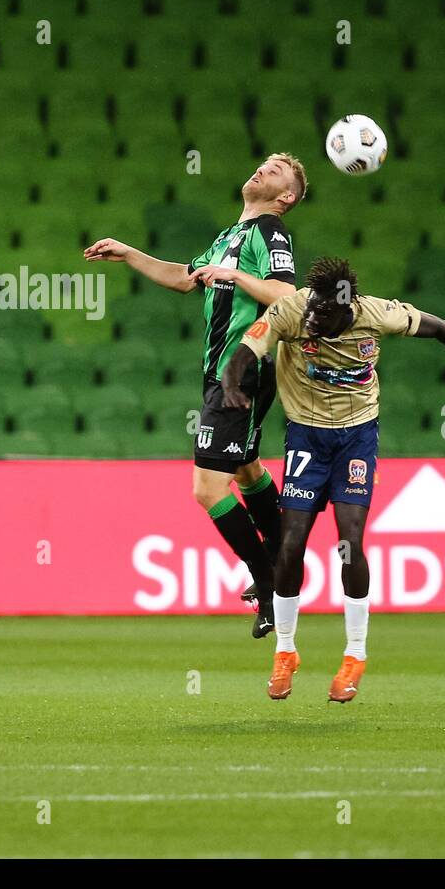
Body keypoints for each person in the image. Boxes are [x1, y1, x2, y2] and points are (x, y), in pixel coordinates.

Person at [218, 256, 445, 702]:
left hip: (355, 440)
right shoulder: (292, 310)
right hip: (306, 439)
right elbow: (245, 351)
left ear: (347, 308)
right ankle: (286, 651)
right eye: (311, 308)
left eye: (324, 314)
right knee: (291, 543)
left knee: (350, 540)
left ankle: (355, 655)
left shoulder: (379, 314)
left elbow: (443, 328)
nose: (312, 319)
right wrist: (232, 383)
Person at [84, 153, 307, 637]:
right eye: (263, 164)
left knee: (207, 489)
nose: (261, 170)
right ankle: (282, 557)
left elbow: (288, 297)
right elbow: (187, 278)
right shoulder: (230, 235)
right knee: (247, 469)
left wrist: (237, 279)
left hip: (244, 367)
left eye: (275, 172)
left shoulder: (272, 232)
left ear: (285, 197)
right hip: (218, 371)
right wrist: (129, 254)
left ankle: (270, 580)